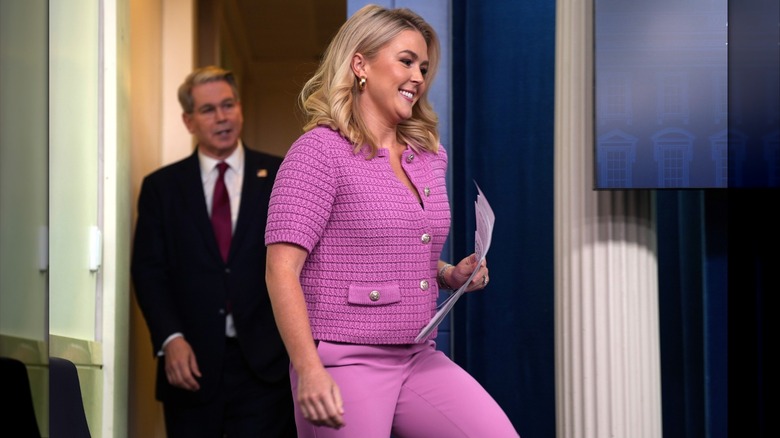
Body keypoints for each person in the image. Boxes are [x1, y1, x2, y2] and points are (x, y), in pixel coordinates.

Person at [264, 5, 519, 438]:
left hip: (419, 355)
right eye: (405, 61)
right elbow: (280, 270)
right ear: (360, 64)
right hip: (345, 360)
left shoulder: (428, 156)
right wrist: (308, 369)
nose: (419, 76)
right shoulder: (318, 152)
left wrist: (448, 273)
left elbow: (393, 251)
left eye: (422, 66)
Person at [131, 65, 297, 437]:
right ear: (189, 121)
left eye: (228, 105)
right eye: (208, 110)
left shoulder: (281, 175)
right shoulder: (162, 188)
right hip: (190, 368)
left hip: (266, 368)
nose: (222, 117)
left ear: (240, 108)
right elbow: (149, 272)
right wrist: (169, 340)